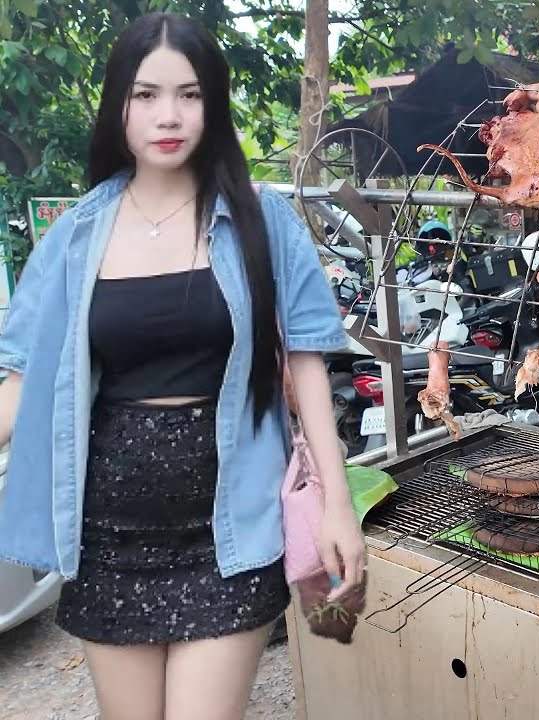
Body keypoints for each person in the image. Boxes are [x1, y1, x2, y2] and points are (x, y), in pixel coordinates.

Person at [0, 13, 366, 719]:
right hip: (108, 535)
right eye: (146, 95)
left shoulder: (263, 219)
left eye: (189, 94)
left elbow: (307, 362)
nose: (168, 115)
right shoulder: (75, 236)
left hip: (230, 531)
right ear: (119, 104)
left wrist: (337, 505)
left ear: (213, 103)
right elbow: (21, 385)